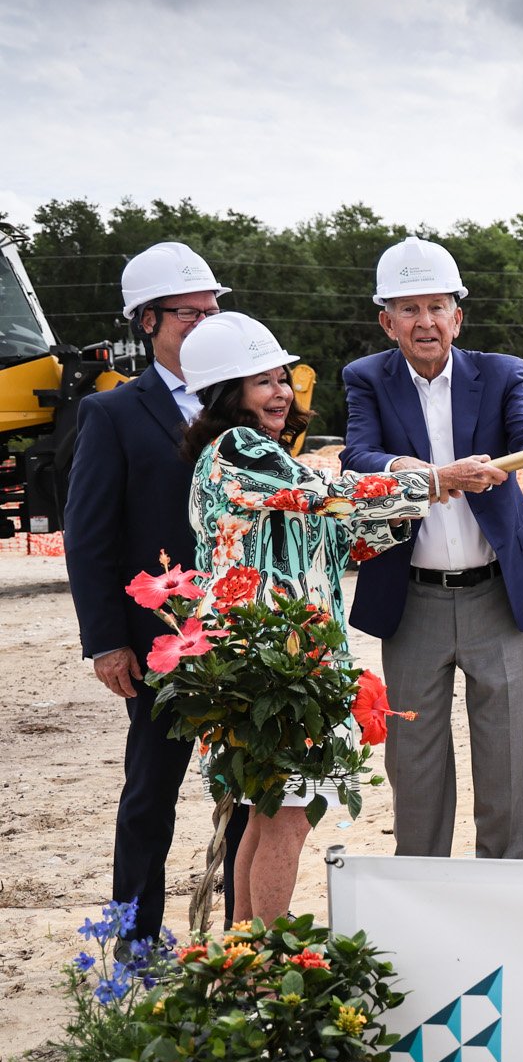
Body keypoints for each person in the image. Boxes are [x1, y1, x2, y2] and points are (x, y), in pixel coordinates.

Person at [178, 312, 437, 922]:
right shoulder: (238, 449)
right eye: (263, 381)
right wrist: (428, 479)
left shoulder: (267, 459)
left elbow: (341, 542)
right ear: (227, 394)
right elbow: (326, 493)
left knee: (268, 815)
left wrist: (413, 508)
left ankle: (243, 954)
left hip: (290, 657)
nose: (282, 392)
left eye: (282, 378)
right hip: (272, 663)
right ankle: (265, 966)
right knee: (288, 820)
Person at [342, 237, 523, 861]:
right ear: (386, 320)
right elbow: (359, 458)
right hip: (411, 598)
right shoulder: (366, 378)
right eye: (409, 308)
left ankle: (504, 887)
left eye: (437, 307)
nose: (426, 322)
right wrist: (431, 477)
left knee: (506, 757)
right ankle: (425, 888)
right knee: (414, 762)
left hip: (497, 597)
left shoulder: (502, 373)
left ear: (458, 316)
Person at [66, 243, 248, 945]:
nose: (205, 323)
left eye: (213, 310)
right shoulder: (112, 415)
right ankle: (137, 939)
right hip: (159, 642)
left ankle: (238, 938)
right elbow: (89, 537)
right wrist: (108, 638)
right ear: (147, 321)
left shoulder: (241, 399)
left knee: (246, 789)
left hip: (240, 631)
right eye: (189, 313)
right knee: (151, 796)